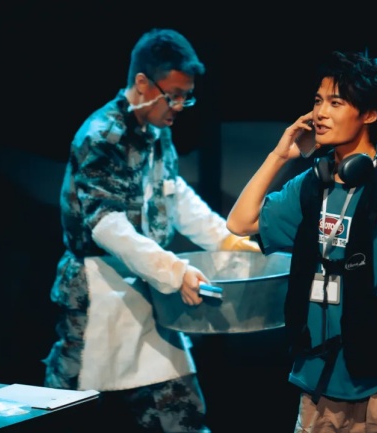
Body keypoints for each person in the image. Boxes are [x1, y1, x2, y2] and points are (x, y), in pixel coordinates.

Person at [42, 28, 259, 432]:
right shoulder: (101, 136)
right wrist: (175, 271)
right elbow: (107, 225)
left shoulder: (157, 131)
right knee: (69, 411)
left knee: (183, 414)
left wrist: (228, 241)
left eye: (186, 97)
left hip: (149, 291)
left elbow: (174, 195)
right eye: (173, 95)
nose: (179, 106)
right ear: (142, 83)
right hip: (96, 293)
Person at [226, 50, 377, 433]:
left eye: (335, 102)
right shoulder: (313, 183)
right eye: (317, 101)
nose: (320, 113)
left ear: (370, 114)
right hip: (317, 377)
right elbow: (240, 222)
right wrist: (279, 156)